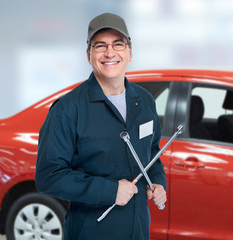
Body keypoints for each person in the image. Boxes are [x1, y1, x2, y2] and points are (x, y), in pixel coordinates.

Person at [35, 13, 167, 240]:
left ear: (130, 52)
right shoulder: (68, 109)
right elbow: (49, 177)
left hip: (138, 228)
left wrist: (157, 182)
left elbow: (152, 152)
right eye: (100, 46)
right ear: (88, 55)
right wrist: (109, 191)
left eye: (118, 44)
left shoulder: (144, 101)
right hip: (92, 231)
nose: (110, 53)